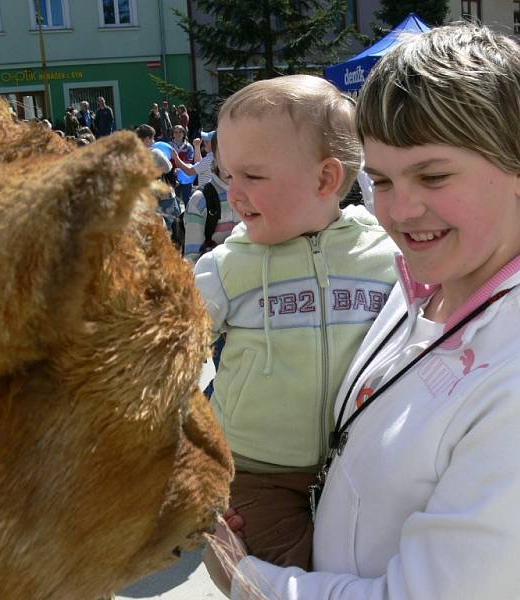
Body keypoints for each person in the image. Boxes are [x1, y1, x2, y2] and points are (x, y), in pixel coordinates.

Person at [204, 24, 520, 600]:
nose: (400, 209)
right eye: (382, 180)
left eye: (434, 175)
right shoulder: (421, 280)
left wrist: (250, 576)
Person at [195, 74, 398, 571]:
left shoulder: (386, 257)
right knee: (274, 574)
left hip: (363, 465)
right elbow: (166, 350)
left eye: (253, 176)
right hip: (254, 469)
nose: (233, 193)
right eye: (227, 175)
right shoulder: (226, 267)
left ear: (326, 179)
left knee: (360, 569)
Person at [181, 131, 239, 263]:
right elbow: (192, 260)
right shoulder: (200, 200)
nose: (232, 160)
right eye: (225, 153)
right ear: (214, 157)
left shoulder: (256, 195)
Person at [171, 124, 195, 207]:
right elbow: (166, 160)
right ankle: (177, 218)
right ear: (173, 134)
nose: (178, 134)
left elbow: (190, 161)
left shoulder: (189, 147)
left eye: (180, 132)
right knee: (175, 199)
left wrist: (180, 171)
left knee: (187, 199)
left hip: (185, 176)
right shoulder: (169, 146)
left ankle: (187, 217)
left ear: (184, 134)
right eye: (175, 132)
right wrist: (173, 171)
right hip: (172, 175)